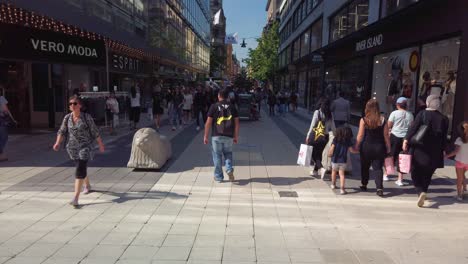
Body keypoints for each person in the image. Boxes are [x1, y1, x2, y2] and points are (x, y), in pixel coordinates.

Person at [53, 96, 105, 208]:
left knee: (80, 168)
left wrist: (100, 144)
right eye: (70, 104)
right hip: (72, 148)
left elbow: (95, 131)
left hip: (85, 146)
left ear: (80, 105)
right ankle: (88, 185)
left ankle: (76, 198)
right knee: (80, 167)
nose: (72, 105)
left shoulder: (86, 117)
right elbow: (61, 131)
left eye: (75, 103)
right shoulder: (67, 118)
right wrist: (57, 143)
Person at [404, 95, 449, 207]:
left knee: (415, 171)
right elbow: (444, 137)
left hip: (420, 148)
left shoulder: (422, 114)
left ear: (428, 103)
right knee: (428, 174)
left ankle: (420, 191)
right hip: (435, 151)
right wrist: (443, 150)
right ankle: (424, 190)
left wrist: (406, 140)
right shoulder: (443, 118)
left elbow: (413, 128)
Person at [355, 99, 391, 197]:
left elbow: (360, 135)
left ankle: (364, 184)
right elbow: (386, 135)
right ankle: (379, 188)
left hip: (366, 146)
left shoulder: (364, 120)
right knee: (378, 168)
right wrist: (388, 147)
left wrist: (356, 146)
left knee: (365, 166)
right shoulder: (383, 120)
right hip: (379, 147)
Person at [204, 88, 240, 183]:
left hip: (216, 135)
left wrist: (205, 136)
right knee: (228, 153)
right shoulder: (232, 107)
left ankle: (219, 177)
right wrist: (236, 136)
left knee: (217, 155)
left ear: (218, 96)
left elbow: (208, 122)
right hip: (229, 135)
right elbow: (237, 123)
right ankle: (228, 168)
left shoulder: (214, 106)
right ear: (228, 96)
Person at [306, 98, 335, 179]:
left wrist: (308, 136)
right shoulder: (330, 114)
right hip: (325, 137)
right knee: (319, 153)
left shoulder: (317, 112)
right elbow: (333, 127)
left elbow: (312, 125)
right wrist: (335, 136)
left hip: (315, 136)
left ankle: (321, 168)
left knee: (312, 153)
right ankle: (315, 171)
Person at [387, 97, 413, 185]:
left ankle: (386, 174)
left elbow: (389, 125)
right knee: (402, 157)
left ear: (397, 104)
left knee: (391, 155)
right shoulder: (410, 115)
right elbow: (411, 127)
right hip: (405, 138)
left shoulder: (394, 113)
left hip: (394, 136)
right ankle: (400, 179)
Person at [328, 126, 355, 195]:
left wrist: (330, 153)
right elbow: (351, 150)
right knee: (342, 175)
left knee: (333, 172)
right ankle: (342, 189)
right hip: (343, 160)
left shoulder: (335, 139)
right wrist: (357, 151)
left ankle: (333, 184)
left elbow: (332, 147)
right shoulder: (347, 141)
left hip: (335, 159)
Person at [445, 121, 468, 201]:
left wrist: (446, 156)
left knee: (459, 178)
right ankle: (465, 189)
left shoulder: (460, 139)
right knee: (463, 176)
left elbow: (456, 151)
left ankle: (459, 195)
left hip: (460, 162)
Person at [0, 94, 17, 161]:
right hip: (1, 121)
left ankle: (1, 155)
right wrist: (12, 119)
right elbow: (5, 109)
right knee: (4, 137)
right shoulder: (1, 98)